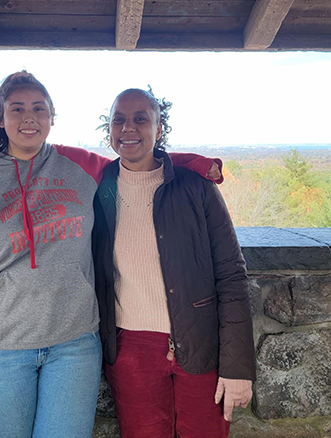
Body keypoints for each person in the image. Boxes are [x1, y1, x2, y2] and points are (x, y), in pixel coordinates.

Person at [0, 72, 222, 437]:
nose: (29, 117)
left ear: (53, 116)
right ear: (1, 118)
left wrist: (193, 163)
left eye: (39, 108)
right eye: (17, 109)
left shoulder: (82, 166)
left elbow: (136, 159)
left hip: (74, 345)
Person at [93, 88, 256, 438]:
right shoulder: (97, 190)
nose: (128, 128)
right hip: (130, 351)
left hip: (199, 344)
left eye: (141, 118)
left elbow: (231, 275)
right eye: (118, 119)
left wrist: (238, 367)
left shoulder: (196, 188)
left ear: (159, 126)